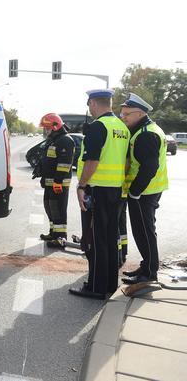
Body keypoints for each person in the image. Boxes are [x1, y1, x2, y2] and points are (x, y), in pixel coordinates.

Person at [69, 89, 129, 299]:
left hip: (97, 190)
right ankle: (110, 284)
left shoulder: (98, 127)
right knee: (110, 238)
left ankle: (95, 287)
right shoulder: (122, 127)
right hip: (116, 190)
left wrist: (81, 186)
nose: (90, 109)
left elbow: (92, 161)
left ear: (94, 103)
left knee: (95, 240)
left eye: (89, 105)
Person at [118, 93, 169, 284]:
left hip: (143, 193)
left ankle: (148, 273)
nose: (123, 118)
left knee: (144, 232)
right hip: (150, 190)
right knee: (145, 231)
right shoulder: (149, 129)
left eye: (127, 114)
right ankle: (147, 265)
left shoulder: (145, 134)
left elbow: (149, 167)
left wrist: (135, 191)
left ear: (139, 113)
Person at [36, 113, 75, 247]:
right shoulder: (54, 140)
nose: (45, 131)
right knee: (50, 208)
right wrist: (43, 177)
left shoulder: (65, 140)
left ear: (55, 126)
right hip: (50, 183)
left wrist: (58, 181)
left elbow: (64, 164)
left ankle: (60, 237)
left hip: (59, 184)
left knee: (58, 210)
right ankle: (53, 233)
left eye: (47, 128)